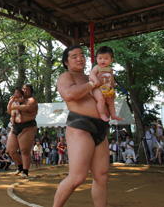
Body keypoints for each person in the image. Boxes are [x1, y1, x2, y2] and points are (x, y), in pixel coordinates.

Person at [54, 45, 110, 207]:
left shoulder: (92, 76)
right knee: (77, 177)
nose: (79, 58)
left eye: (82, 55)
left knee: (102, 176)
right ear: (66, 62)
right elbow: (70, 94)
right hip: (80, 126)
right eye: (74, 56)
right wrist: (93, 84)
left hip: (100, 127)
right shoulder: (66, 77)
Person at [6, 84, 38, 178]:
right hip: (15, 127)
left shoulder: (32, 100)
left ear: (30, 91)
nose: (25, 90)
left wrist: (15, 107)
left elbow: (28, 108)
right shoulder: (17, 100)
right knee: (10, 150)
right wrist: (12, 102)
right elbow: (9, 111)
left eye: (27, 89)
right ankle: (20, 167)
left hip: (28, 127)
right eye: (23, 89)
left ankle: (25, 172)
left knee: (24, 150)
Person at [89, 46, 123, 122]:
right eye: (100, 58)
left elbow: (112, 77)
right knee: (101, 99)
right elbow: (91, 74)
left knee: (111, 101)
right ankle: (102, 114)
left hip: (107, 88)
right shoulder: (97, 67)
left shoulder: (110, 69)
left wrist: (113, 84)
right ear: (97, 59)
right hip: (97, 88)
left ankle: (113, 115)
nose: (102, 61)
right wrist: (96, 80)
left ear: (111, 60)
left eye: (106, 58)